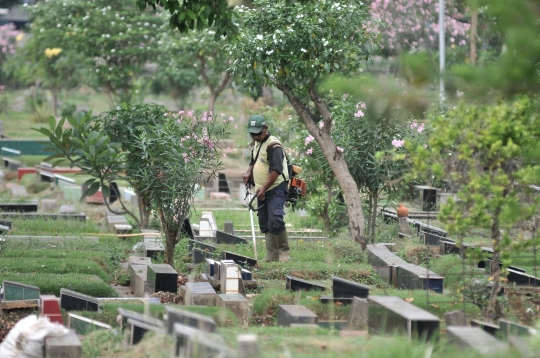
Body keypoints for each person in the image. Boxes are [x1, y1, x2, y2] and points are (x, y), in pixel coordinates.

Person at [243, 114, 290, 262]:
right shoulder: (257, 143)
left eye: (258, 133)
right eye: (252, 133)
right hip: (260, 188)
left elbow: (275, 170)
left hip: (275, 187)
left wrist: (264, 188)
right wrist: (249, 171)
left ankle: (284, 253)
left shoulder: (273, 145)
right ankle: (271, 255)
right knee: (265, 219)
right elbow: (254, 160)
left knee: (275, 217)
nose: (255, 136)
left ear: (265, 129)